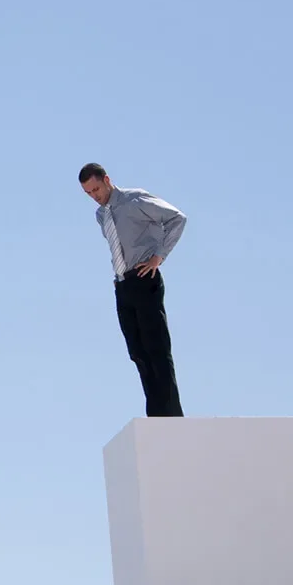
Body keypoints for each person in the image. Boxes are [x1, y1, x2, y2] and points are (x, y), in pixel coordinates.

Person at [79, 163, 187, 417]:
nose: (94, 196)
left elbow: (176, 219)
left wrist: (158, 257)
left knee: (156, 348)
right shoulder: (101, 215)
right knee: (138, 353)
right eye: (88, 193)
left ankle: (171, 416)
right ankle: (156, 416)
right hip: (123, 286)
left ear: (107, 179)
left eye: (96, 189)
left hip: (144, 277)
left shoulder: (134, 199)